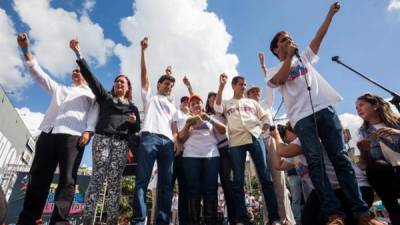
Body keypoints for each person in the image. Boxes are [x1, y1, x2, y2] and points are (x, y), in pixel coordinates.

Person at [266, 2, 383, 224]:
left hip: (324, 110)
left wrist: (330, 15)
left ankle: (361, 213)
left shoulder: (305, 58)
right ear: (275, 49)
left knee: (341, 158)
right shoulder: (274, 70)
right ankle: (334, 214)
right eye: (283, 40)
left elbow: (319, 37)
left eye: (290, 37)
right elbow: (279, 80)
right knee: (315, 163)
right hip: (301, 119)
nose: (289, 40)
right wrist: (290, 57)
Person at [16, 33, 98, 225]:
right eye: (74, 71)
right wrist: (25, 49)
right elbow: (38, 74)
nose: (76, 72)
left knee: (67, 179)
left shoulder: (91, 95)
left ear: (86, 75)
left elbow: (94, 114)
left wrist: (89, 131)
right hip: (49, 134)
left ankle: (59, 221)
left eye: (80, 71)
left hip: (73, 137)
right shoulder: (59, 89)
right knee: (38, 177)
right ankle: (28, 218)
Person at [70, 39, 141, 224]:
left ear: (128, 88)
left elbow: (137, 129)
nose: (119, 83)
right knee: (97, 178)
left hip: (121, 144)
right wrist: (79, 55)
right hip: (102, 140)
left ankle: (111, 220)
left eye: (123, 82)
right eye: (117, 81)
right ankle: (87, 219)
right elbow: (91, 78)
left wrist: (133, 122)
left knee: (115, 182)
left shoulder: (133, 107)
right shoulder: (105, 97)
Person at [271, 123, 374, 225]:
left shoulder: (307, 139)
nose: (285, 138)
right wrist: (276, 142)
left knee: (326, 218)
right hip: (331, 192)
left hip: (356, 190)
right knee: (309, 218)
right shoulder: (295, 152)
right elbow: (278, 165)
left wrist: (276, 135)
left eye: (286, 133)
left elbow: (283, 151)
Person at [215, 74, 281, 225]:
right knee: (238, 181)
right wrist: (221, 86)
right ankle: (242, 219)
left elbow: (264, 117)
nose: (243, 87)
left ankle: (274, 218)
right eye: (240, 84)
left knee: (265, 177)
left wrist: (263, 128)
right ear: (233, 86)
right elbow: (217, 108)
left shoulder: (252, 102)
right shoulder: (227, 103)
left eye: (244, 85)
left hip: (255, 137)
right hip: (236, 141)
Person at [132, 37, 179, 225]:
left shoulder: (171, 103)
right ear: (158, 85)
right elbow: (144, 76)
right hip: (149, 138)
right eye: (165, 83)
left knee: (166, 186)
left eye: (171, 84)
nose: (168, 86)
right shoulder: (150, 98)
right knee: (142, 181)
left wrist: (176, 140)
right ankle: (138, 221)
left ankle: (161, 221)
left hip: (168, 143)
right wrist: (143, 51)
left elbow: (175, 124)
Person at [245, 84, 295, 225]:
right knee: (264, 182)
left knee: (279, 181)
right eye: (252, 92)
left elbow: (270, 89)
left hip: (271, 140)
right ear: (247, 95)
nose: (256, 93)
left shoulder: (264, 104)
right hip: (256, 144)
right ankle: (270, 219)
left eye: (257, 91)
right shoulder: (246, 110)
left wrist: (263, 67)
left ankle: (286, 218)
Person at [178, 95, 226, 225]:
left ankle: (211, 221)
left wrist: (209, 119)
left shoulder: (211, 117)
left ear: (202, 105)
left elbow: (223, 130)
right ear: (190, 108)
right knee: (193, 190)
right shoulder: (185, 119)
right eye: (192, 104)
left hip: (211, 156)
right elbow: (181, 138)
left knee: (210, 190)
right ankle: (194, 222)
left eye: (198, 102)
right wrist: (188, 125)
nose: (195, 105)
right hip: (191, 156)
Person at [356, 93, 400, 224]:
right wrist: (363, 151)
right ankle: (396, 216)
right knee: (376, 167)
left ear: (375, 105)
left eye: (361, 105)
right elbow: (366, 164)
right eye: (356, 107)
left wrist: (397, 132)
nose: (358, 109)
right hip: (387, 173)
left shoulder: (397, 123)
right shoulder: (362, 132)